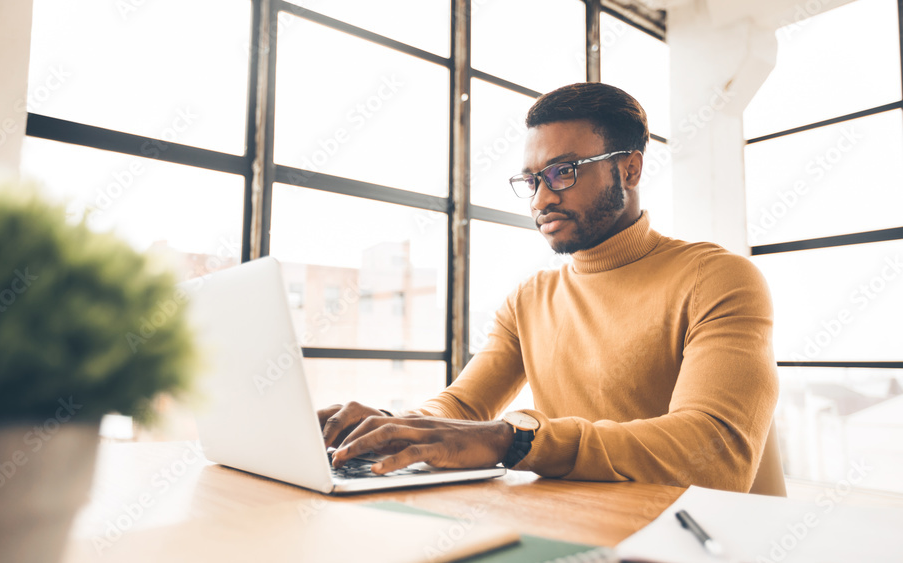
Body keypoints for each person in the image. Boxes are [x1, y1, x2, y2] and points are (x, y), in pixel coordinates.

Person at [318, 82, 778, 492]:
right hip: (580, 524)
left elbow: (716, 454)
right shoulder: (529, 298)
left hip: (695, 535)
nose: (541, 199)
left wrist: (517, 439)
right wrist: (391, 428)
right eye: (532, 179)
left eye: (564, 172)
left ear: (630, 170)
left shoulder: (717, 278)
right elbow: (463, 405)